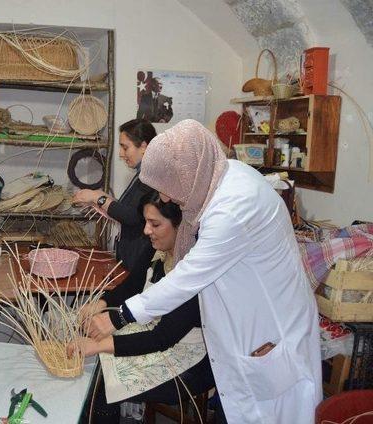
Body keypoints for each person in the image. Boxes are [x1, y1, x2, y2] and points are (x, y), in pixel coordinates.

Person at [87, 120, 322, 424]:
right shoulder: (219, 180)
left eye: (168, 189)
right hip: (239, 330)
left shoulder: (233, 207)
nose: (168, 199)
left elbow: (186, 278)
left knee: (264, 412)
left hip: (268, 331)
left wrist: (119, 316)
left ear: (187, 174)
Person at [71, 193, 214, 423]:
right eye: (146, 222)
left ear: (181, 227)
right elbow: (132, 285)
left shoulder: (194, 271)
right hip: (155, 335)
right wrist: (100, 303)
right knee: (94, 356)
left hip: (191, 358)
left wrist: (99, 346)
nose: (147, 230)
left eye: (155, 224)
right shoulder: (157, 248)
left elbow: (162, 338)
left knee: (103, 384)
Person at [73, 119, 156, 278]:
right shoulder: (142, 174)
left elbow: (133, 216)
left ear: (144, 146)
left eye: (125, 147)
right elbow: (129, 209)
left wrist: (98, 198)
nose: (120, 153)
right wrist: (100, 198)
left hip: (138, 261)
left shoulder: (150, 176)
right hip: (131, 257)